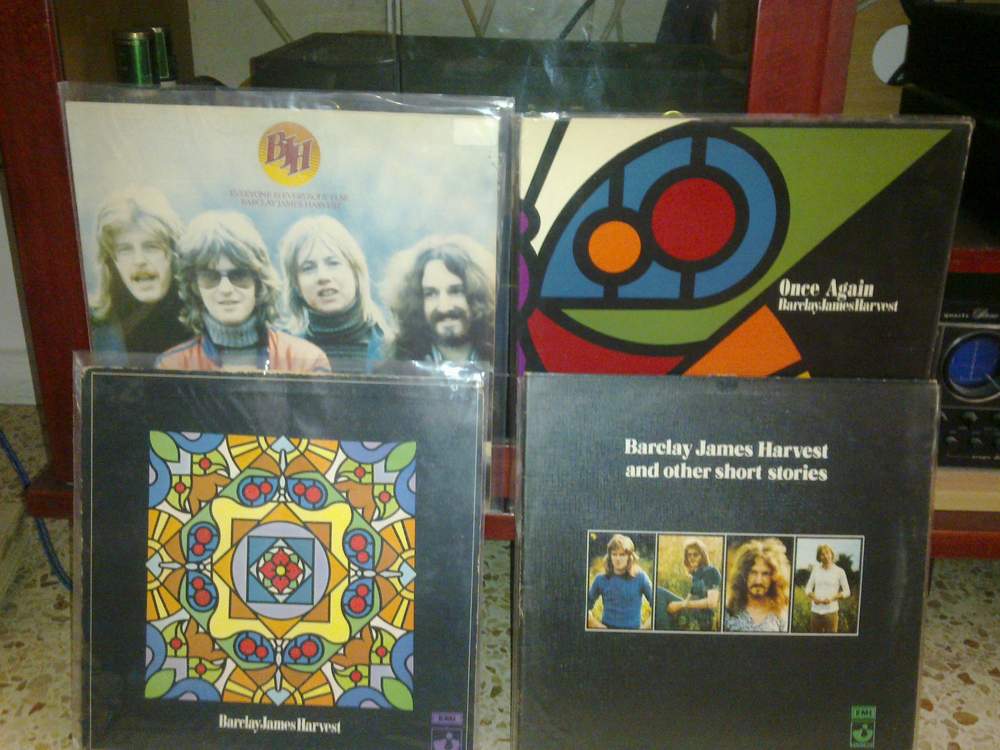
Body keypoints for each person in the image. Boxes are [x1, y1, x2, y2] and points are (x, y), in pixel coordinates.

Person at [155, 211, 329, 373]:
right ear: (195, 287)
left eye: (238, 275)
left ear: (258, 283)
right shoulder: (172, 366)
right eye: (211, 277)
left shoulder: (306, 361)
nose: (225, 289)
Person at [88, 186, 190, 353]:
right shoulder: (95, 324)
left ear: (173, 252)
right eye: (125, 249)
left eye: (151, 247)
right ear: (112, 260)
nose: (139, 260)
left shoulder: (203, 320)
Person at [278, 216, 385, 369]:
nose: (323, 276)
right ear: (296, 285)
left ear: (356, 272)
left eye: (333, 263)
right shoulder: (282, 357)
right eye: (308, 268)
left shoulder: (394, 351)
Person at [382, 235, 495, 365]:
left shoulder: (503, 358)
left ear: (478, 296)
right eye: (431, 294)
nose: (444, 307)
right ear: (416, 303)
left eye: (455, 291)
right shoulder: (394, 369)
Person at [587, 534, 653, 630]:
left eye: (622, 555)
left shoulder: (641, 578)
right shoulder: (600, 579)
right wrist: (599, 627)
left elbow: (658, 607)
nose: (617, 559)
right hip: (607, 632)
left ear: (629, 557)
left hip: (633, 632)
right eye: (614, 554)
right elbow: (584, 607)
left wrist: (643, 630)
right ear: (610, 556)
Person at [724, 538, 790, 633]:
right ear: (743, 574)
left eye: (765, 574)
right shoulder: (728, 611)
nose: (758, 580)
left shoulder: (781, 614)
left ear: (774, 577)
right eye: (753, 572)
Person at [655, 538, 721, 630]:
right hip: (692, 612)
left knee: (659, 593)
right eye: (689, 555)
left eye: (695, 554)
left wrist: (681, 604)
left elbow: (712, 603)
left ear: (702, 556)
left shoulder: (711, 571)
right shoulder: (696, 575)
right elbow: (690, 597)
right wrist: (680, 604)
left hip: (703, 619)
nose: (691, 558)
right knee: (660, 600)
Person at [804, 544, 851, 633]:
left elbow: (847, 592)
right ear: (819, 557)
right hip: (815, 612)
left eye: (827, 553)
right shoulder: (815, 570)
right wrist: (814, 598)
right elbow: (808, 589)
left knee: (830, 640)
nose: (825, 556)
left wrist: (832, 598)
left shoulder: (840, 571)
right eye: (822, 554)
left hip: (831, 612)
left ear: (831, 554)